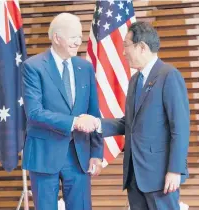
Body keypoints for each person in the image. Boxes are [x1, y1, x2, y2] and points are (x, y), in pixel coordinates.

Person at [79, 22, 190, 210]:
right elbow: (129, 123)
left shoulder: (169, 75)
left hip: (160, 176)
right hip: (135, 176)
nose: (123, 52)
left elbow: (179, 128)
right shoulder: (134, 80)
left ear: (142, 47)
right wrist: (97, 124)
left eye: (126, 46)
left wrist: (175, 170)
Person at [21, 13, 103, 210]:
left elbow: (94, 114)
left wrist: (97, 153)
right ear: (57, 38)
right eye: (73, 36)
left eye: (80, 36)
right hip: (44, 154)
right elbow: (34, 112)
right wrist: (74, 122)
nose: (78, 41)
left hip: (79, 155)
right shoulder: (33, 67)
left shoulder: (85, 68)